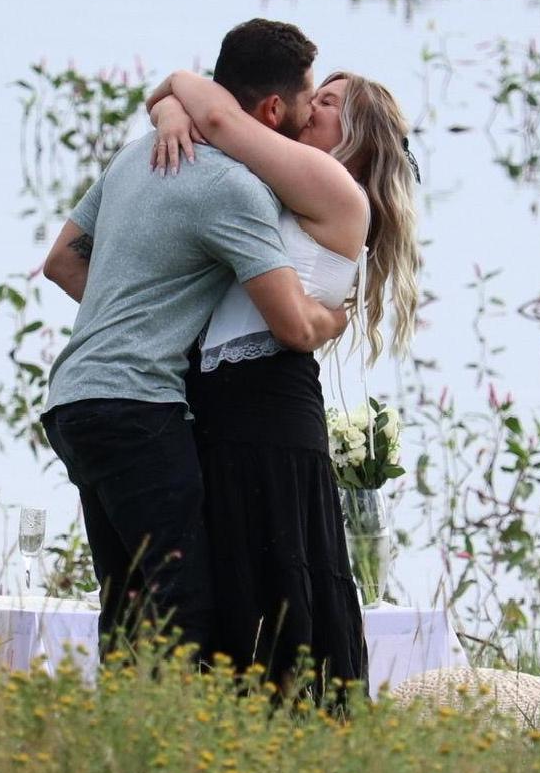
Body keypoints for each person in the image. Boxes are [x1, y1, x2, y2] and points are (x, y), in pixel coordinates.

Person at [39, 20, 348, 664]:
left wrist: (132, 308)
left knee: (127, 600)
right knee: (184, 602)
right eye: (305, 99)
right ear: (272, 108)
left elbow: (63, 262)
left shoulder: (135, 155)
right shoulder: (232, 189)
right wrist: (335, 317)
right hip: (137, 409)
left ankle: (119, 749)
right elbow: (291, 325)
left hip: (72, 398)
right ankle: (172, 752)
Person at [142, 65, 422, 703]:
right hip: (223, 398)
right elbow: (189, 107)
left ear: (354, 136)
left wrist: (181, 93)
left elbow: (215, 113)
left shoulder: (329, 182)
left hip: (266, 403)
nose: (304, 109)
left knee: (274, 563)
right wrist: (167, 114)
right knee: (233, 566)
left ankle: (293, 723)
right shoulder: (286, 181)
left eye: (324, 103)